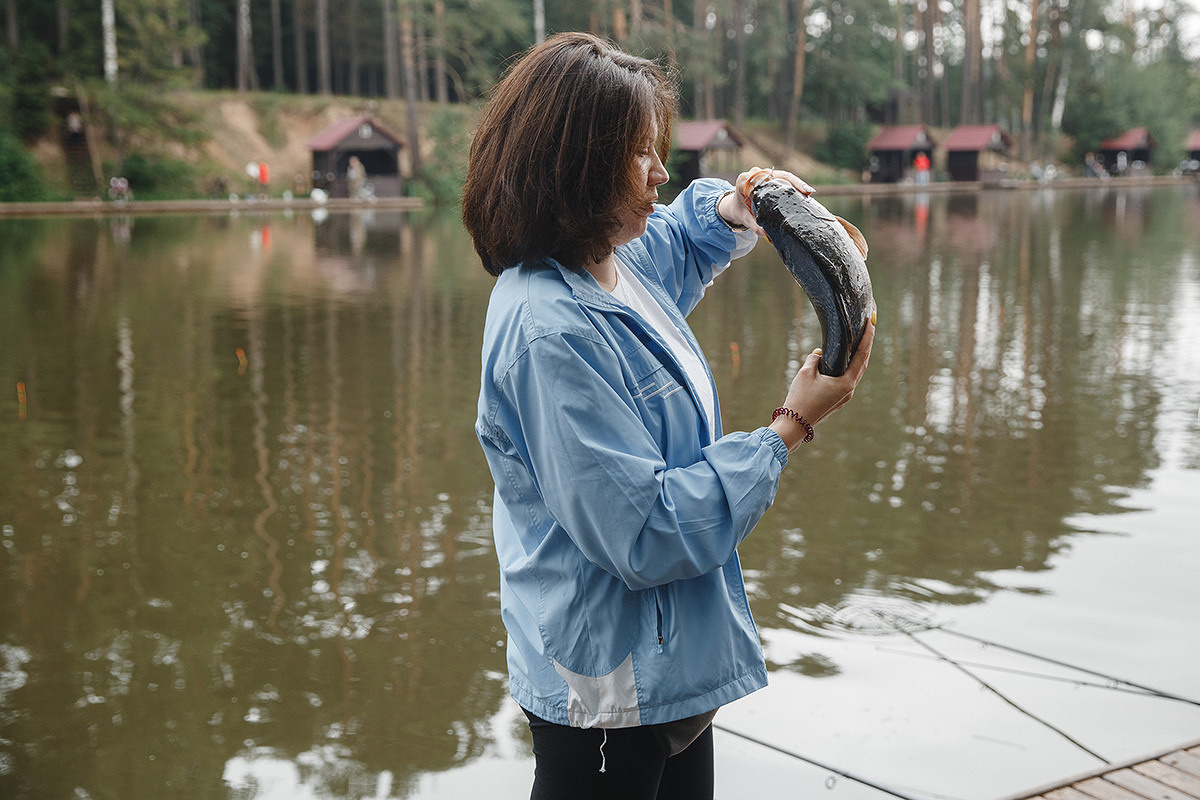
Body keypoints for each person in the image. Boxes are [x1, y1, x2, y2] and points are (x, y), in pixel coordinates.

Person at [462, 32, 874, 800]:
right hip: (611, 688)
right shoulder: (548, 332)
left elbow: (679, 239)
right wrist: (788, 426)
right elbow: (645, 531)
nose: (662, 173)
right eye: (640, 154)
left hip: (670, 661)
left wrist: (740, 205)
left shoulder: (606, 261)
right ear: (577, 167)